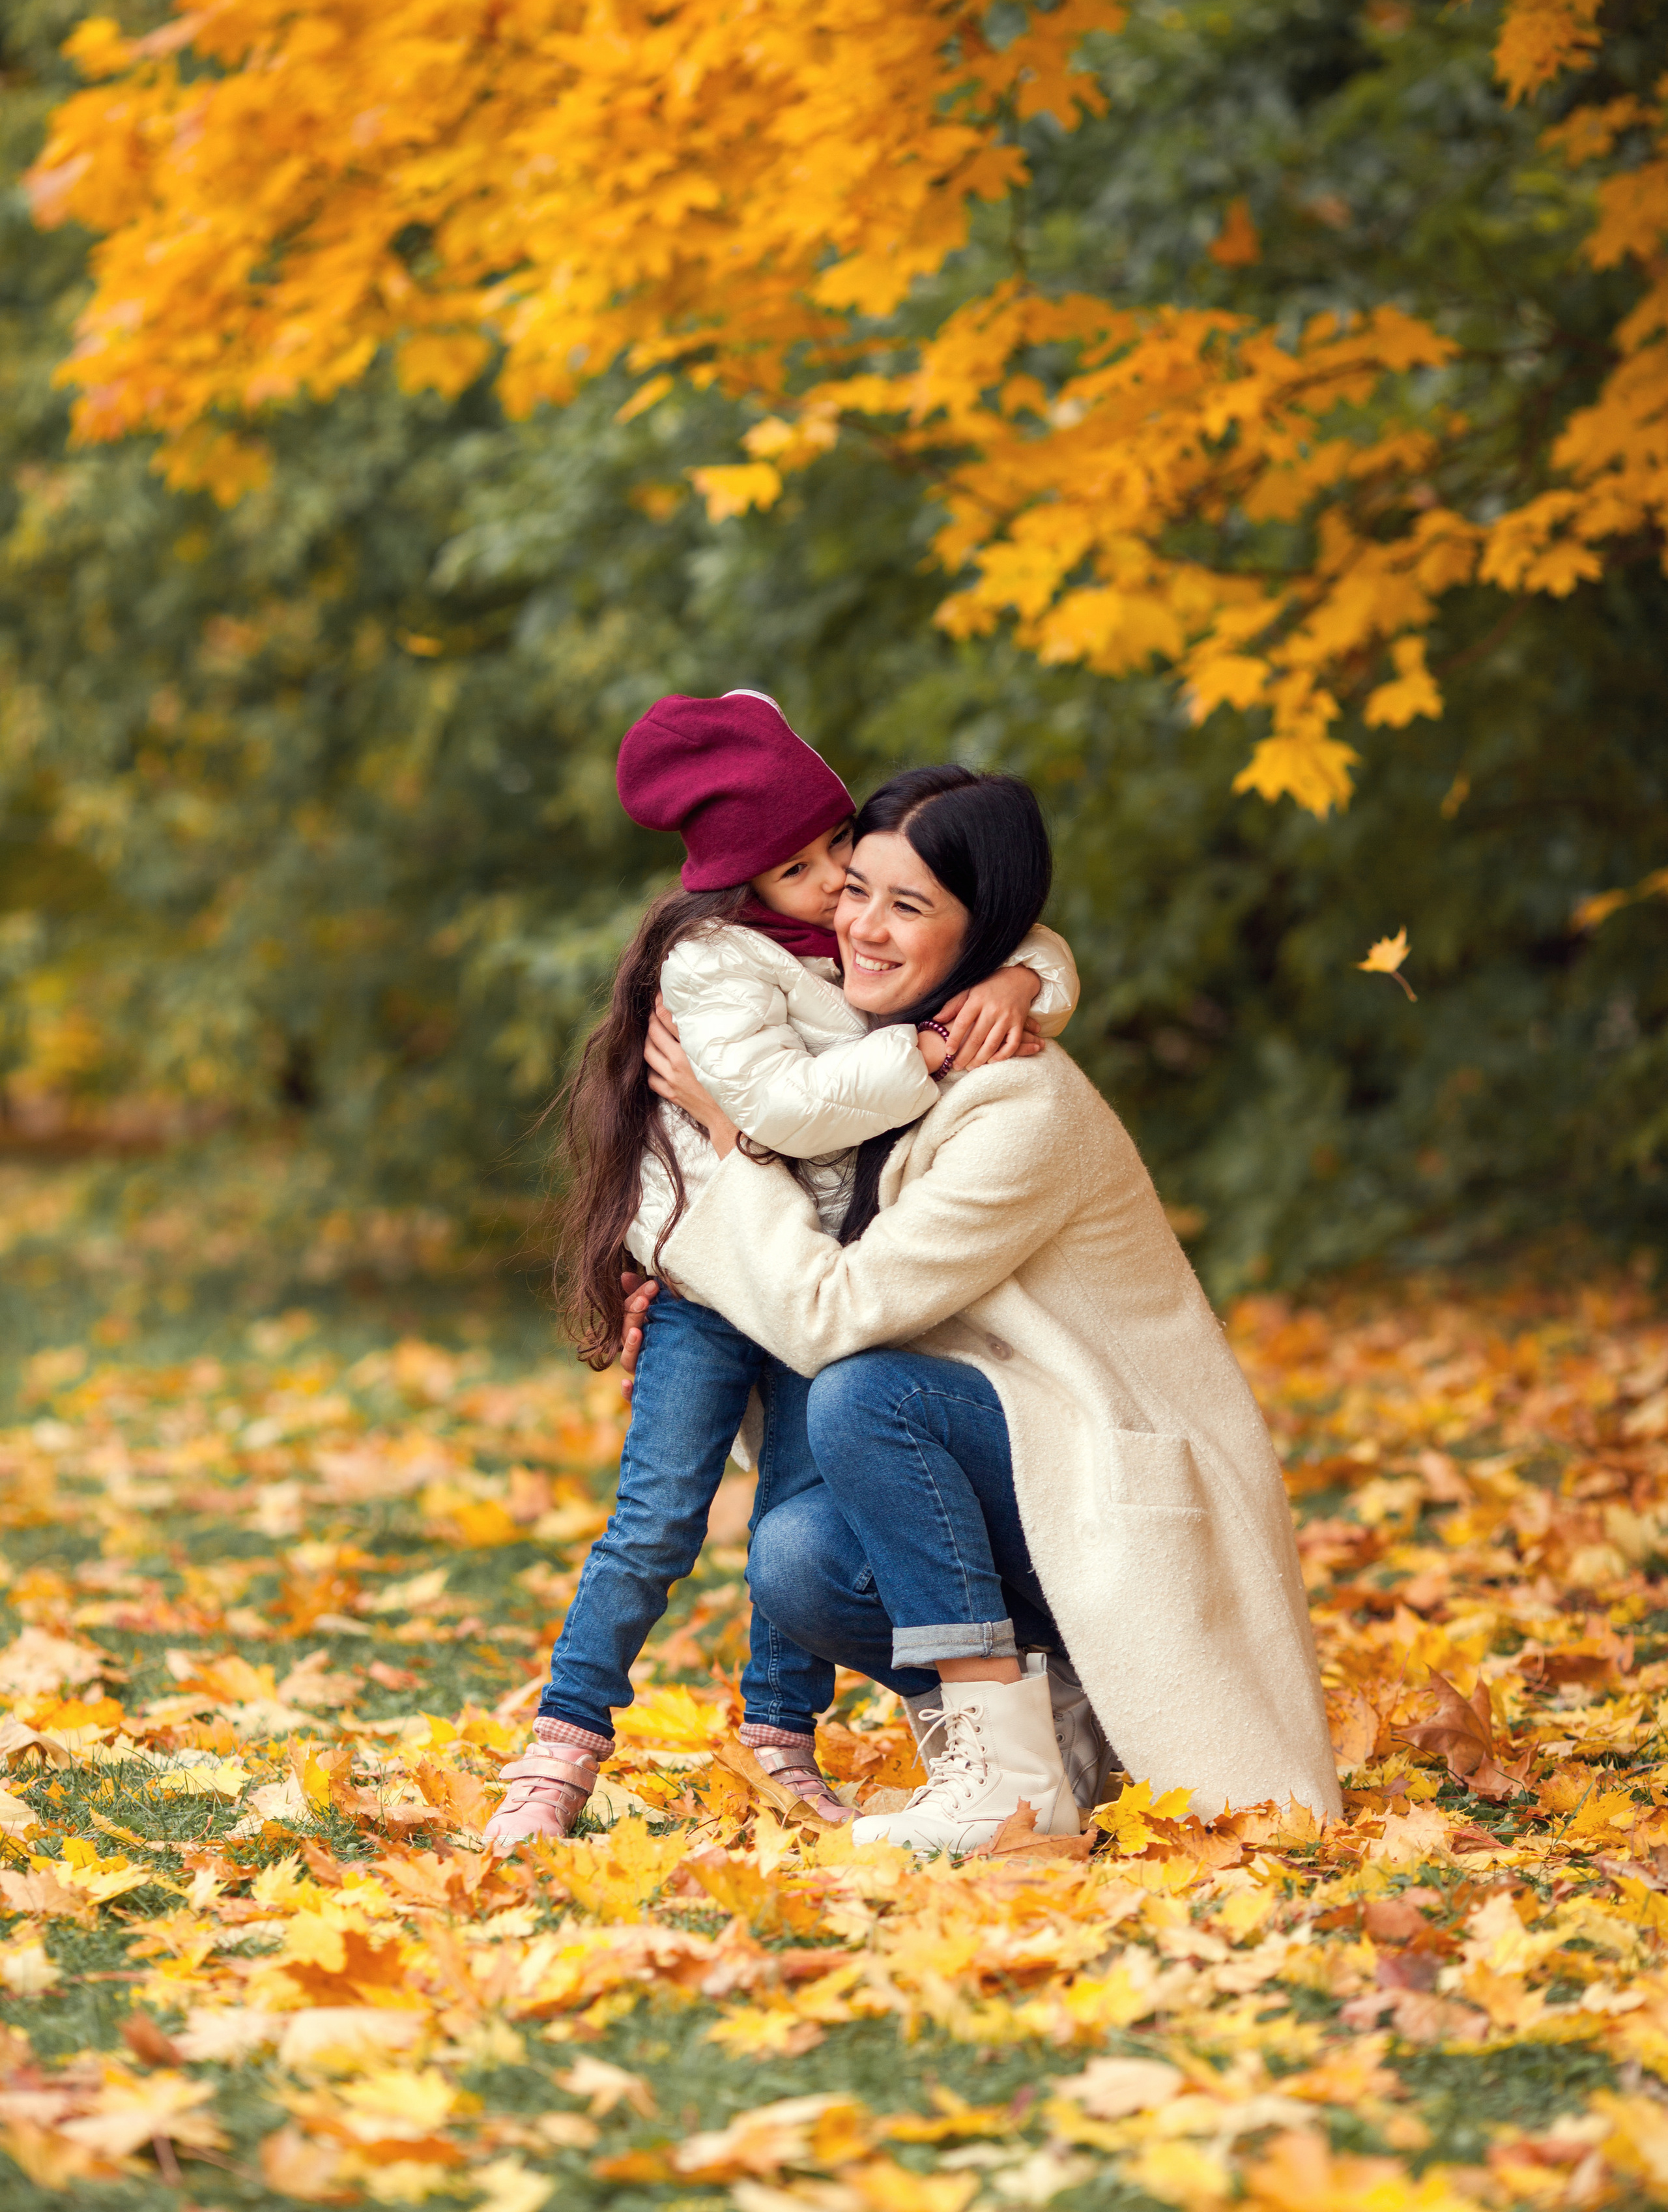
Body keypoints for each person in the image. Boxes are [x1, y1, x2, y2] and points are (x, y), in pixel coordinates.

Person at [636, 764, 1342, 1853]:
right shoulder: (870, 1069)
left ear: (986, 933)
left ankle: (1005, 1788)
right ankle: (1058, 1728)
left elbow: (834, 1317)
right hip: (1022, 1458)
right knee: (797, 1556)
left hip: (1106, 1463)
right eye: (855, 887)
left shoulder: (1019, 1102)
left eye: (906, 906)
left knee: (869, 1396)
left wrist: (732, 1155)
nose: (857, 923)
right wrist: (685, 1282)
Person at [483, 697, 1078, 1850]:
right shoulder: (716, 962)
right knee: (656, 1518)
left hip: (815, 1282)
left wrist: (1019, 987)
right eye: (798, 869)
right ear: (737, 877)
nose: (833, 885)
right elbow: (783, 1109)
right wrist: (932, 1047)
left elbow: (1009, 933)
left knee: (799, 1523)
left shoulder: (861, 930)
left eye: (838, 852)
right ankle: (561, 1744)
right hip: (719, 1284)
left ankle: (780, 1740)